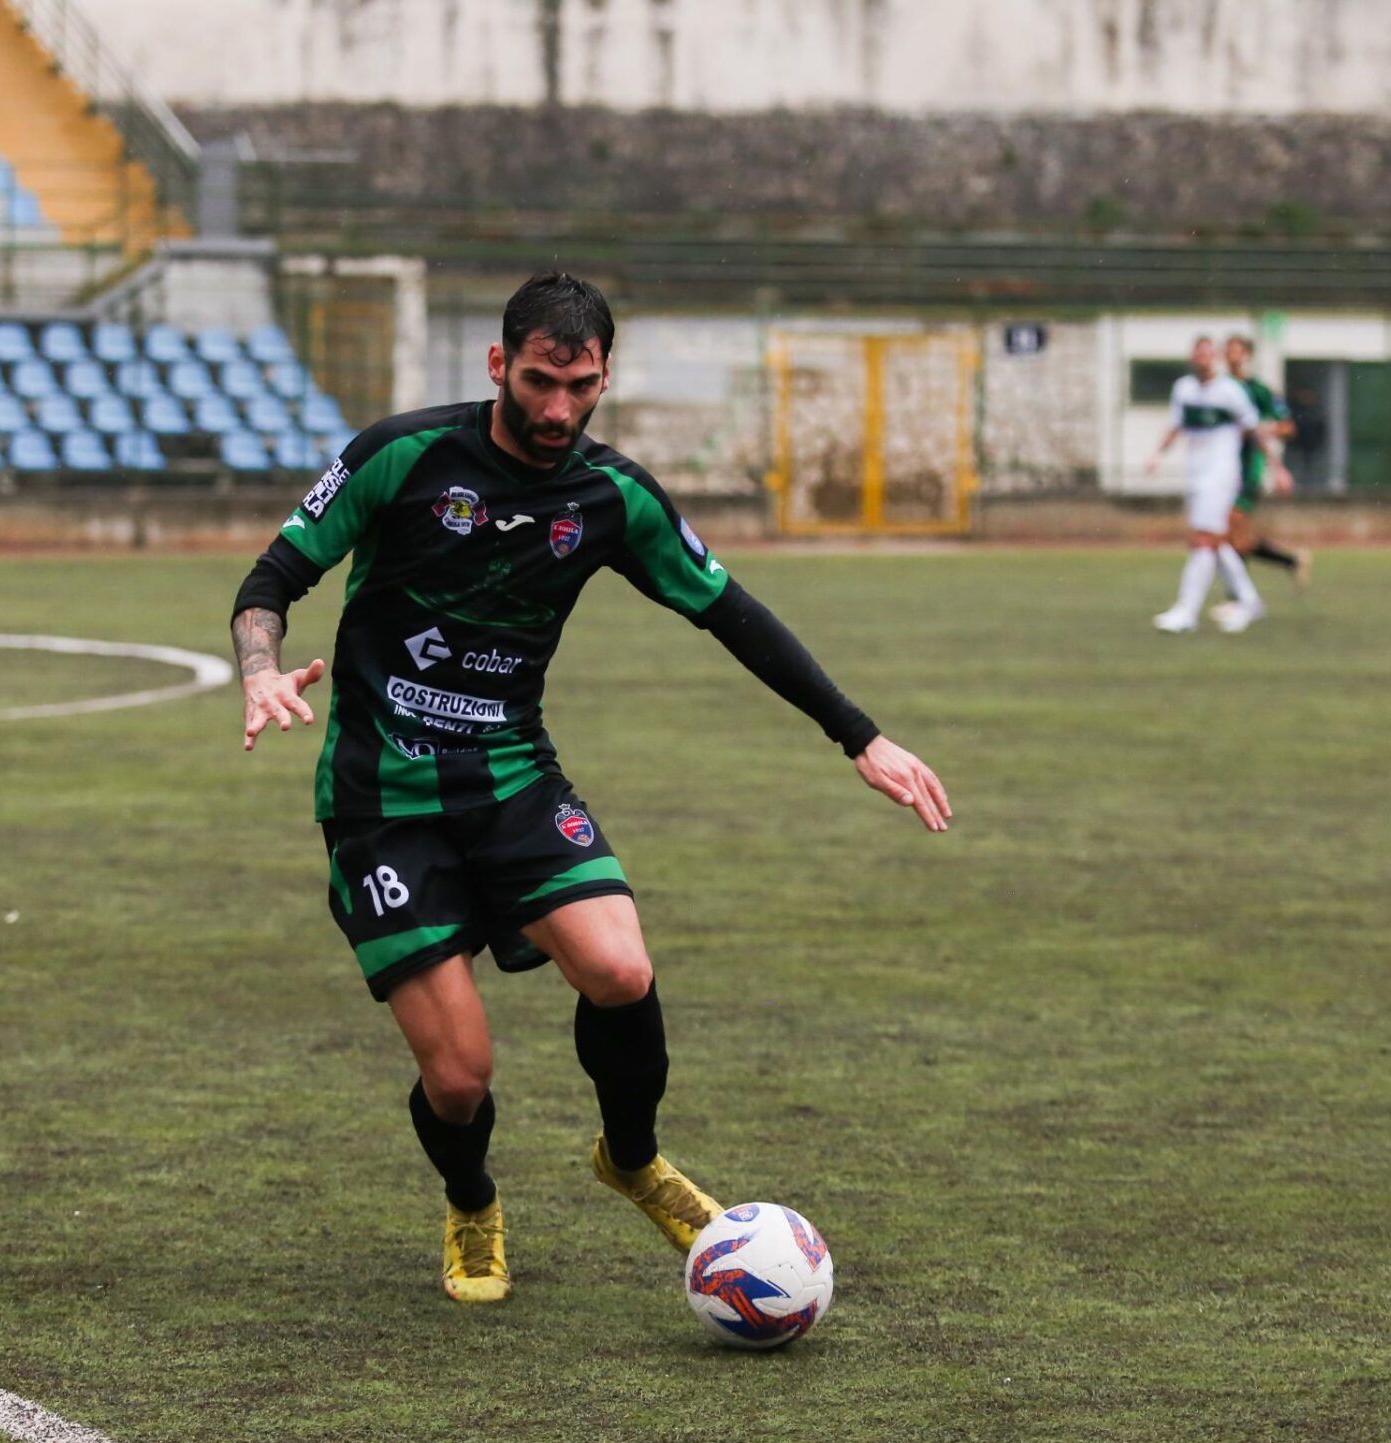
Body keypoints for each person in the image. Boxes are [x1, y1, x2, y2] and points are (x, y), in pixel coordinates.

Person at [231, 272, 950, 1305]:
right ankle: (472, 1199)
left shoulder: (613, 496)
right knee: (460, 1077)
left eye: (581, 386)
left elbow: (729, 610)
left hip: (513, 778)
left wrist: (859, 737)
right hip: (381, 801)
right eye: (538, 381)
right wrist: (261, 669)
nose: (558, 409)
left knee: (619, 968)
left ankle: (632, 1158)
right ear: (498, 364)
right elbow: (272, 580)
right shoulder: (402, 454)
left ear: (605, 376)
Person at [1146, 335, 1267, 634]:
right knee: (1216, 540)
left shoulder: (1230, 391)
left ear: (1215, 358)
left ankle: (1186, 612)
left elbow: (1254, 429)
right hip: (1196, 474)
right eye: (1198, 353)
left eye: (1208, 354)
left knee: (1202, 539)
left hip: (1221, 474)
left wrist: (1276, 467)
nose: (1203, 358)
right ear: (1192, 357)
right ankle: (1250, 601)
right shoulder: (1183, 388)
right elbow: (1176, 426)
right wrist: (1157, 455)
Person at [1221, 334, 1311, 591]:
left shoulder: (1258, 390)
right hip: (1221, 469)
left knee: (1232, 527)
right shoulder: (1219, 387)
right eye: (1227, 350)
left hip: (1248, 468)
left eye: (1236, 350)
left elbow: (1287, 427)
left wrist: (1261, 430)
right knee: (1232, 538)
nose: (1231, 355)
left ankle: (1237, 598)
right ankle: (1291, 561)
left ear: (1247, 355)